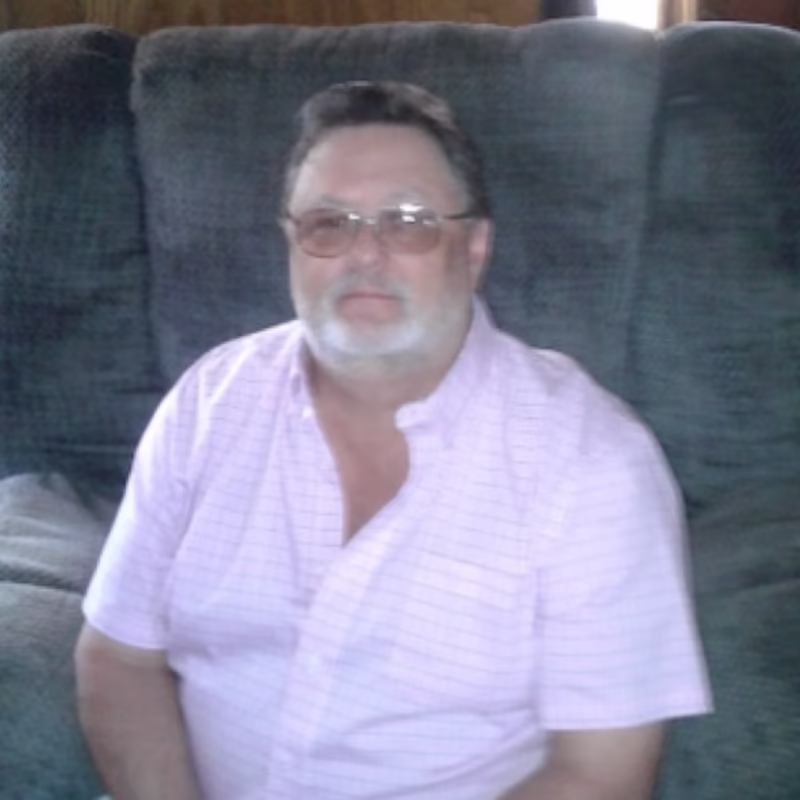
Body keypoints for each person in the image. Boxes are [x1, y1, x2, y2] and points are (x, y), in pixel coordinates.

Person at [75, 81, 711, 800]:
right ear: (291, 243)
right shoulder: (207, 404)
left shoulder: (593, 462)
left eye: (408, 222)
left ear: (474, 248)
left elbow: (601, 774)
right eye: (328, 223)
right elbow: (118, 658)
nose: (364, 254)